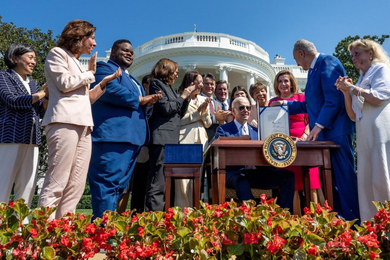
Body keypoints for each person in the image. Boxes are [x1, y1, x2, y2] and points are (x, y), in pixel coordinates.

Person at [38, 20, 121, 219]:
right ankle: (43, 234)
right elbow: (64, 84)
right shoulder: (57, 54)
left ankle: (64, 233)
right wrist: (90, 74)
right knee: (57, 180)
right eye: (91, 38)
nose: (95, 43)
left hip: (84, 126)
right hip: (63, 122)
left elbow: (84, 99)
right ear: (78, 36)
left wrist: (102, 83)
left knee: (76, 184)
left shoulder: (77, 63)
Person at [271, 39, 359, 221]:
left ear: (302, 53)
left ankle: (354, 222)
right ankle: (339, 222)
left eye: (296, 59)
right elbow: (310, 104)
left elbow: (334, 99)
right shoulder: (313, 72)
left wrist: (317, 127)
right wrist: (285, 105)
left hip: (337, 133)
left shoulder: (327, 62)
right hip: (325, 137)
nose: (297, 64)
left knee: (344, 180)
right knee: (331, 182)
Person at [88, 40, 161, 219]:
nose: (130, 54)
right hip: (113, 138)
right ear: (113, 53)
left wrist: (148, 104)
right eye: (125, 50)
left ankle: (109, 228)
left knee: (118, 187)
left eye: (131, 52)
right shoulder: (104, 69)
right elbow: (111, 90)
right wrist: (141, 100)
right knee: (107, 185)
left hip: (132, 140)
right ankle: (102, 231)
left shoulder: (133, 79)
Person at [335, 39, 390, 221]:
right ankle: (373, 229)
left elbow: (379, 98)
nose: (354, 58)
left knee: (382, 179)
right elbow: (352, 115)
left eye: (357, 53)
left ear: (371, 53)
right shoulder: (361, 78)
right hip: (365, 137)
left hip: (380, 133)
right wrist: (346, 92)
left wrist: (353, 88)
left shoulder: (381, 69)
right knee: (367, 184)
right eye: (352, 55)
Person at [215, 96, 295, 213]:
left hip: (256, 172)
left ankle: (284, 215)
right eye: (241, 107)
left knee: (288, 176)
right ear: (233, 111)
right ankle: (256, 215)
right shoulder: (223, 130)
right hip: (234, 173)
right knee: (242, 181)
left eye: (248, 107)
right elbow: (219, 152)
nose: (245, 110)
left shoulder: (257, 131)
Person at [145, 58, 197, 212]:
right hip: (161, 139)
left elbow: (178, 113)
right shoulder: (156, 84)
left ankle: (163, 216)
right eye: (175, 71)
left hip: (171, 141)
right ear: (166, 70)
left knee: (166, 181)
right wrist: (183, 96)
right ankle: (153, 218)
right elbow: (167, 108)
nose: (176, 74)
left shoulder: (171, 89)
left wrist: (186, 97)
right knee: (157, 181)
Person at [269, 70, 323, 215]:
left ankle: (316, 218)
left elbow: (310, 120)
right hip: (283, 147)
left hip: (303, 144)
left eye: (286, 81)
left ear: (292, 83)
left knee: (311, 180)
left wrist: (305, 136)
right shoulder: (272, 102)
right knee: (290, 182)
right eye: (280, 81)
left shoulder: (301, 98)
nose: (283, 84)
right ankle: (293, 218)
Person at [0, 43, 48, 207]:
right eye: (30, 57)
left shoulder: (34, 84)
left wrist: (47, 97)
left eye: (35, 58)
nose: (34, 62)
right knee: (3, 183)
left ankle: (21, 226)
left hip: (32, 140)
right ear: (15, 58)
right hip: (10, 137)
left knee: (28, 186)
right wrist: (42, 94)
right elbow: (13, 101)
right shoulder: (3, 78)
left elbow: (41, 112)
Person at [174, 70, 212, 208]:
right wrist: (196, 114)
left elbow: (207, 124)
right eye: (199, 82)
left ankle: (196, 211)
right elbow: (178, 121)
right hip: (184, 141)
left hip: (201, 142)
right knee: (183, 179)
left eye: (202, 82)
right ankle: (182, 211)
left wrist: (204, 112)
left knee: (198, 179)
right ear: (190, 82)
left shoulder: (203, 100)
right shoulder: (181, 98)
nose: (201, 85)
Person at [117, 74, 152, 214]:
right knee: (134, 187)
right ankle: (132, 216)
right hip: (138, 151)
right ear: (145, 85)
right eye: (151, 83)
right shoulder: (138, 100)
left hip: (152, 151)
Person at [200, 73, 229, 142]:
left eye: (212, 84)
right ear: (202, 85)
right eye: (206, 84)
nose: (209, 86)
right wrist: (215, 118)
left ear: (215, 86)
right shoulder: (197, 99)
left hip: (216, 139)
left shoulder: (218, 104)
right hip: (202, 138)